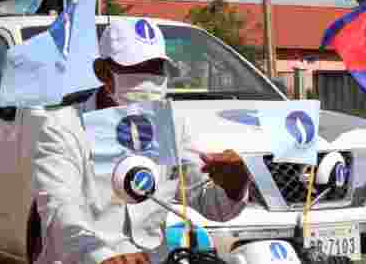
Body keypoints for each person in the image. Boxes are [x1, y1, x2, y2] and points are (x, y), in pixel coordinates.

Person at [32, 19, 250, 264]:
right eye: (135, 68)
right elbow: (60, 211)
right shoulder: (63, 128)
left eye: (156, 69)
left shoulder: (171, 126)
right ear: (102, 72)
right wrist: (102, 256)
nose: (148, 79)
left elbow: (211, 205)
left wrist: (234, 185)